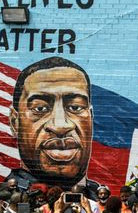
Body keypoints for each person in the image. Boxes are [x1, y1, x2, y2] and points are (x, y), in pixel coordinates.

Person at [7, 57, 99, 199]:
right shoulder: (6, 196)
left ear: (91, 118)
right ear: (15, 123)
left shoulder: (99, 197)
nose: (60, 125)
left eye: (75, 107)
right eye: (40, 108)